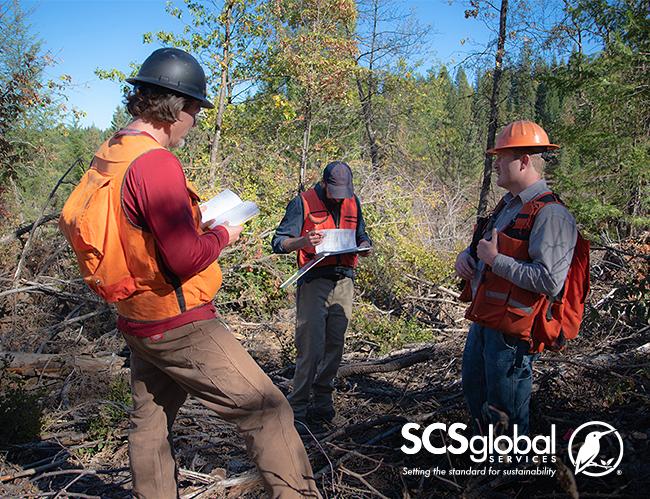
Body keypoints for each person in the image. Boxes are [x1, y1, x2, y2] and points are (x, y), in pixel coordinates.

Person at [60, 48, 320, 499]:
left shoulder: (115, 150)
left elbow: (135, 230)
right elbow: (184, 259)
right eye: (195, 109)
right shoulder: (156, 163)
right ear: (176, 107)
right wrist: (225, 234)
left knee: (149, 422)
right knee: (269, 411)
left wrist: (194, 224)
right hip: (178, 323)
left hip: (137, 316)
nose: (196, 120)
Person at [455, 120, 578, 437]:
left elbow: (550, 280)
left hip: (512, 333)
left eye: (502, 156)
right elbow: (484, 252)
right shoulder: (507, 206)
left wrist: (495, 261)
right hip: (486, 320)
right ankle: (486, 461)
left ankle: (511, 476)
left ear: (524, 161)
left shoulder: (551, 214)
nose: (495, 163)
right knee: (476, 391)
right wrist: (466, 260)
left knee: (506, 408)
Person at [272, 162, 372, 434]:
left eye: (344, 191)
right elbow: (279, 242)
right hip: (314, 277)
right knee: (311, 344)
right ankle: (298, 407)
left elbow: (362, 234)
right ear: (324, 183)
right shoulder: (302, 202)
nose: (340, 198)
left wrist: (364, 245)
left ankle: (323, 403)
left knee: (335, 343)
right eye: (335, 191)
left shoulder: (353, 201)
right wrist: (304, 241)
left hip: (344, 278)